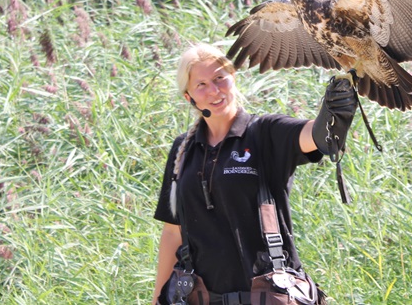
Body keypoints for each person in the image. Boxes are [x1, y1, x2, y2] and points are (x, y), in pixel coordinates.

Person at [152, 43, 357, 304]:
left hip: (267, 295)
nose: (214, 91)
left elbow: (314, 137)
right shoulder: (184, 149)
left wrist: (333, 115)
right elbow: (173, 231)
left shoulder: (265, 132)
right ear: (188, 97)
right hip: (199, 297)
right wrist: (157, 298)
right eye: (201, 85)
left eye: (219, 78)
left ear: (233, 78)